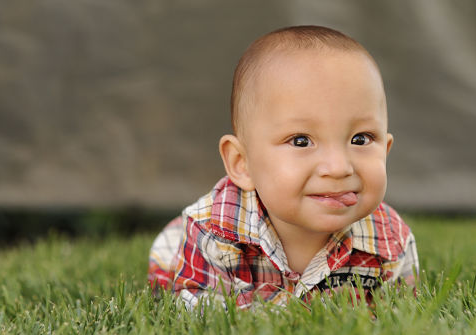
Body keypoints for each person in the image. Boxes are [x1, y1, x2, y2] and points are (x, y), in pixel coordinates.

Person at [148, 25, 418, 309]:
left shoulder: (390, 240)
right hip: (176, 254)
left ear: (385, 151)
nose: (338, 168)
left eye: (360, 139)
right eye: (301, 141)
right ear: (243, 164)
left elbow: (401, 314)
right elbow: (201, 317)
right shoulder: (213, 234)